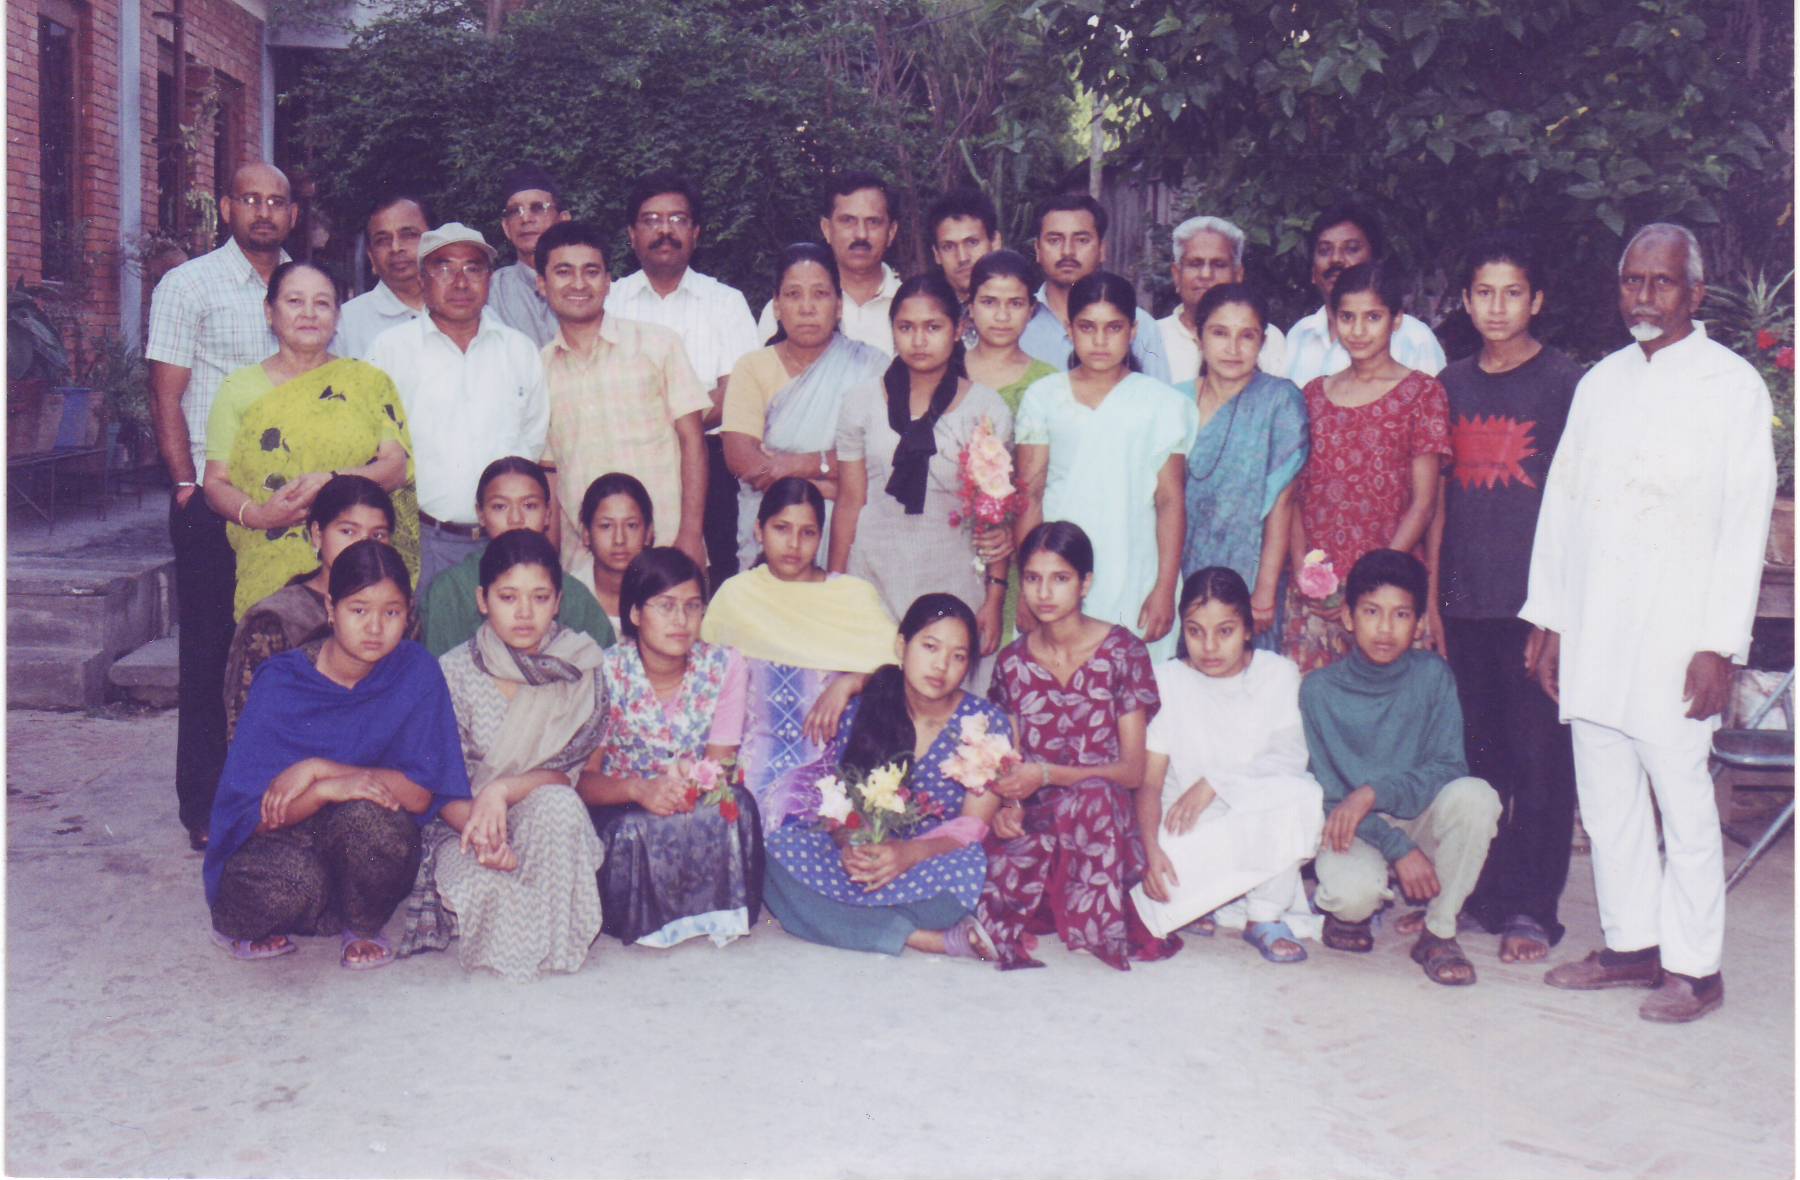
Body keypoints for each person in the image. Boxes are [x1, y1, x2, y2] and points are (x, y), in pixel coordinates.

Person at [1526, 223, 1775, 1023]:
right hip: (1596, 625)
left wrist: (1719, 645)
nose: (1643, 296)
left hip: (1678, 635)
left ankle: (1696, 969)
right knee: (1607, 799)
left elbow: (1744, 524)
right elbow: (1563, 505)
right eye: (1632, 280)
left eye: (1661, 282)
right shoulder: (1601, 383)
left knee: (1683, 801)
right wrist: (1551, 620)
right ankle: (1632, 944)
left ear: (1694, 293)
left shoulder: (1732, 387)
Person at [203, 540, 471, 969]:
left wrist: (321, 770)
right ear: (331, 608)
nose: (375, 627)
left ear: (408, 614)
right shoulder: (283, 681)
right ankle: (256, 921)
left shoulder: (416, 672)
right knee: (288, 885)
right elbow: (259, 816)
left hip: (357, 838)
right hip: (280, 842)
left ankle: (360, 925)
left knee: (374, 821)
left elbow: (421, 794)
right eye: (358, 610)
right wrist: (325, 790)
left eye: (391, 613)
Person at [1425, 231, 1582, 964]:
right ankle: (1475, 893)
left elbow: (1579, 506)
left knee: (1540, 761)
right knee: (1475, 760)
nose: (1497, 307)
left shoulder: (1565, 385)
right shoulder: (1449, 384)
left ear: (1536, 300)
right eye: (1483, 293)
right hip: (1463, 604)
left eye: (1512, 292)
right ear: (1465, 300)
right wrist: (1432, 601)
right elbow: (1435, 503)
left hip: (1533, 608)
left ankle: (1531, 906)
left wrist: (1558, 614)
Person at [147, 160, 296, 850]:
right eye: (250, 199)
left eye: (276, 201)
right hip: (213, 500)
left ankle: (281, 796)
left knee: (285, 649)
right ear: (227, 208)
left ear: (292, 215)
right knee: (209, 655)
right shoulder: (189, 285)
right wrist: (184, 485)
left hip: (293, 505)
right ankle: (204, 806)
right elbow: (166, 393)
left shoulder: (306, 286)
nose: (264, 211)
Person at [398, 529, 607, 981]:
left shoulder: (577, 666)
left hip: (542, 823)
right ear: (483, 600)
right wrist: (486, 836)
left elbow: (568, 777)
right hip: (464, 828)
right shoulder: (453, 671)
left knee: (559, 806)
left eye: (540, 597)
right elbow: (439, 786)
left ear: (558, 601)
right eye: (508, 597)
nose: (524, 612)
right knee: (491, 894)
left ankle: (557, 949)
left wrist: (501, 791)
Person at [977, 522, 1182, 971]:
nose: (1044, 593)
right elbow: (1010, 760)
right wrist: (1009, 807)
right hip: (1039, 816)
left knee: (1092, 796)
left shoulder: (1122, 652)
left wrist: (1047, 774)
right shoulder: (1012, 663)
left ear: (1085, 583)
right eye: (1033, 579)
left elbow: (1132, 771)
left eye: (1060, 578)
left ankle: (1096, 924)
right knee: (984, 871)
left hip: (1102, 818)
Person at [763, 594, 1009, 959]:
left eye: (958, 656)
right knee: (779, 853)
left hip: (933, 861)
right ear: (902, 646)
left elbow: (972, 828)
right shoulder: (866, 708)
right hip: (870, 853)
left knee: (969, 870)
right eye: (930, 647)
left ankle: (852, 921)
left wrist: (909, 854)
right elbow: (842, 803)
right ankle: (922, 938)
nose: (941, 665)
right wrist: (851, 845)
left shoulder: (986, 724)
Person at [1301, 549, 1500, 986]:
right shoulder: (1319, 691)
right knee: (1352, 899)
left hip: (1415, 813)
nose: (1385, 628)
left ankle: (1439, 931)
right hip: (1354, 826)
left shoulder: (1433, 676)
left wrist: (1373, 792)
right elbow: (1331, 797)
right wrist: (1397, 848)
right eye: (1371, 612)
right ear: (1348, 617)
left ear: (1419, 623)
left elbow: (1449, 767)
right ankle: (1350, 911)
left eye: (1401, 614)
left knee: (1476, 797)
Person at [202, 260, 418, 620]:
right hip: (270, 563)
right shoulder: (237, 389)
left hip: (358, 566)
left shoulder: (367, 382)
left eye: (322, 303)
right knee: (276, 647)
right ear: (269, 311)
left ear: (336, 316)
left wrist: (330, 481)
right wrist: (259, 515)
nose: (308, 313)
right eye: (294, 301)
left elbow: (396, 467)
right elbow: (215, 483)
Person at [1131, 568, 1324, 962]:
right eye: (1195, 631)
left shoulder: (1277, 674)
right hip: (1186, 828)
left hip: (1254, 815)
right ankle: (1209, 903)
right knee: (1163, 885)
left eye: (1225, 631)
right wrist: (1149, 851)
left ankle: (1263, 916)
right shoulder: (1167, 680)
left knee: (1303, 796)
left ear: (1248, 630)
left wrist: (1214, 784)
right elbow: (1149, 783)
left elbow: (1288, 759)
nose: (1209, 647)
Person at [828, 272, 1013, 677]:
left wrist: (994, 598)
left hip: (955, 580)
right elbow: (850, 501)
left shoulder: (986, 410)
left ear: (958, 330)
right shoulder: (861, 403)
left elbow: (994, 515)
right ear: (892, 331)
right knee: (875, 694)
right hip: (873, 576)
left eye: (933, 327)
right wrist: (836, 588)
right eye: (906, 327)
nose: (918, 340)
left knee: (949, 699)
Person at [577, 548, 763, 947]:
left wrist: (688, 785)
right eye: (665, 606)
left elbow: (720, 765)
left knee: (738, 805)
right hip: (627, 807)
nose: (681, 620)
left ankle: (712, 912)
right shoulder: (605, 672)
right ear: (635, 613)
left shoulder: (724, 665)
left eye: (692, 606)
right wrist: (639, 790)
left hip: (693, 797)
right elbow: (583, 782)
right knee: (632, 829)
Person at [1014, 271, 1196, 660]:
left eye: (1113, 328)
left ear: (1132, 331)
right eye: (1087, 327)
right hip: (1057, 567)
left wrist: (1165, 588)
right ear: (1069, 329)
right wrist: (1028, 588)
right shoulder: (1043, 397)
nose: (1100, 341)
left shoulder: (1162, 404)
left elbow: (1170, 500)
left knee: (1130, 679)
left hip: (1135, 564)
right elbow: (1030, 494)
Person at [701, 478, 897, 827]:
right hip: (746, 766)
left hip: (831, 771)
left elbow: (900, 668)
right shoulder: (736, 597)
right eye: (781, 528)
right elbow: (703, 684)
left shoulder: (851, 597)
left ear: (821, 538)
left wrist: (852, 681)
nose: (793, 544)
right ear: (759, 530)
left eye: (807, 533)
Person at [1284, 260, 1450, 672]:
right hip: (1318, 597)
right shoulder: (1312, 396)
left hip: (1388, 597)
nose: (1358, 330)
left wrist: (1371, 583)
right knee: (1316, 704)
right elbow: (1296, 496)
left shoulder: (1422, 395)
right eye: (1347, 317)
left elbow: (1424, 504)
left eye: (1373, 317)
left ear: (1397, 320)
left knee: (1388, 704)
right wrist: (1305, 574)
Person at [367, 223, 550, 592]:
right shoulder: (389, 351)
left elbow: (532, 445)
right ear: (422, 280)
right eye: (444, 268)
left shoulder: (519, 351)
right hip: (424, 541)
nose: (460, 282)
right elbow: (373, 448)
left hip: (507, 541)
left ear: (489, 278)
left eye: (473, 268)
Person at [604, 170, 761, 586]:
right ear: (632, 235)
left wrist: (668, 427)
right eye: (651, 220)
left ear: (696, 233)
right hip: (625, 460)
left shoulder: (725, 303)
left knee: (709, 581)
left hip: (711, 468)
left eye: (677, 219)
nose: (665, 231)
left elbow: (736, 393)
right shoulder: (609, 302)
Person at [535, 220, 709, 570]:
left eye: (591, 271)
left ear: (608, 281)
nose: (579, 284)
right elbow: (550, 473)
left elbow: (693, 441)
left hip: (667, 548)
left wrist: (690, 535)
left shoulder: (658, 344)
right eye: (564, 272)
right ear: (542, 284)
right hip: (582, 564)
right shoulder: (538, 370)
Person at [721, 243, 887, 568]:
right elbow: (744, 461)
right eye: (794, 295)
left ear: (839, 306)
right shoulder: (752, 368)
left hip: (855, 537)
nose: (807, 308)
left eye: (820, 294)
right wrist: (829, 485)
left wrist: (793, 466)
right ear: (777, 307)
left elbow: (879, 461)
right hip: (773, 537)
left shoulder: (873, 367)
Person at [1176, 283, 1307, 648]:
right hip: (1183, 571)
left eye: (1246, 336)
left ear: (1262, 342)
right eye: (1220, 333)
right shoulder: (1174, 401)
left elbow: (1282, 501)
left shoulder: (1280, 401)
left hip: (1252, 574)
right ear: (1198, 336)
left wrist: (1264, 590)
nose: (1233, 348)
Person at [222, 474, 395, 737]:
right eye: (348, 531)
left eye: (378, 535)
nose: (363, 545)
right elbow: (248, 728)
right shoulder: (275, 620)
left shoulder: (399, 614)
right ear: (317, 534)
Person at [419, 457, 615, 657]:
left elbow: (604, 666)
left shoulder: (575, 595)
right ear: (481, 514)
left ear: (548, 514)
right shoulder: (449, 590)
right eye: (500, 507)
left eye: (529, 506)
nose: (515, 519)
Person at [962, 250, 1058, 644]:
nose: (1002, 316)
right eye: (989, 302)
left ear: (1032, 310)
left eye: (1015, 304)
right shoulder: (945, 371)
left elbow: (1041, 484)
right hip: (949, 536)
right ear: (970, 306)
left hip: (1020, 544)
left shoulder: (1048, 384)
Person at [1283, 203, 1446, 387]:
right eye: (1324, 250)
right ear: (1313, 272)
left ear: (1375, 263)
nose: (1336, 259)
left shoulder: (1414, 338)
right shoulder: (1299, 336)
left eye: (1351, 249)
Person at [1017, 193, 1170, 381]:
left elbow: (1160, 395)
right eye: (1054, 240)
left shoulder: (1141, 325)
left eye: (1082, 240)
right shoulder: (1015, 322)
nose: (1067, 251)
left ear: (1101, 250)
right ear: (1037, 250)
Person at [755, 171, 903, 355]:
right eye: (848, 221)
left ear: (891, 232)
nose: (861, 234)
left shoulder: (912, 305)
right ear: (827, 229)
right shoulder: (787, 309)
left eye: (873, 222)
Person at [1158, 216, 1286, 383]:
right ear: (1176, 275)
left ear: (1238, 275)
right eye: (1195, 264)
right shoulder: (1154, 336)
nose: (1206, 275)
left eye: (1219, 265)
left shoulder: (1268, 338)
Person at [331, 192, 431, 358]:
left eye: (408, 235)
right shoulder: (345, 325)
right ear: (371, 256)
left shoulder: (464, 309)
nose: (396, 248)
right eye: (383, 240)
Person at [486, 164, 571, 347]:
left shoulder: (587, 283)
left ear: (563, 220)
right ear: (506, 227)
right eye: (515, 211)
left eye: (538, 208)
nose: (525, 219)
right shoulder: (491, 292)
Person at [570, 472, 655, 632]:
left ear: (648, 533)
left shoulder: (666, 593)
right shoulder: (568, 596)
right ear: (586, 534)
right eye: (606, 526)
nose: (619, 539)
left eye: (631, 525)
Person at [926, 186, 1002, 308]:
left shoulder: (1023, 311)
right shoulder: (927, 312)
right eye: (948, 247)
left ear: (995, 242)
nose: (962, 258)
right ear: (936, 254)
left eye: (972, 242)